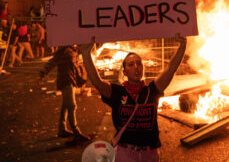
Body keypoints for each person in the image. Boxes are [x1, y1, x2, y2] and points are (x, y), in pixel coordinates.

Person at [80, 34, 187, 162]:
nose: (136, 67)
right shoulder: (117, 93)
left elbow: (170, 69)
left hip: (150, 155)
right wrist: (86, 54)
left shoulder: (151, 91)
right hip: (125, 155)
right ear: (124, 72)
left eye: (139, 63)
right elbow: (97, 81)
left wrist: (182, 46)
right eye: (131, 64)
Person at [38, 45, 91, 142]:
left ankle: (62, 129)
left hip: (72, 80)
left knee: (66, 105)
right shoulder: (64, 50)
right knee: (72, 106)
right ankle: (76, 132)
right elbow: (52, 62)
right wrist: (42, 74)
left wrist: (80, 78)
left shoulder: (73, 50)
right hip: (66, 80)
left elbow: (75, 66)